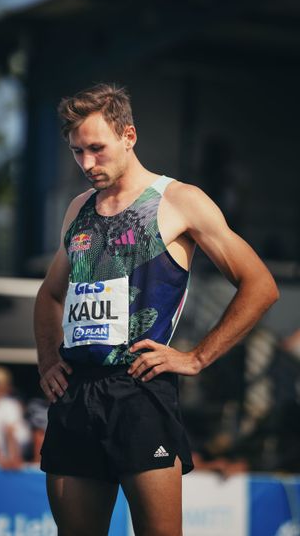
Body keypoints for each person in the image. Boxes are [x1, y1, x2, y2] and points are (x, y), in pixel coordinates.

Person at [34, 83, 279, 536]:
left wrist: (198, 357)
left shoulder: (179, 200)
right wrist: (48, 358)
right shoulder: (78, 210)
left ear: (129, 136)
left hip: (139, 390)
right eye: (76, 152)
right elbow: (50, 295)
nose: (87, 163)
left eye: (96, 148)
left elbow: (260, 285)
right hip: (76, 395)